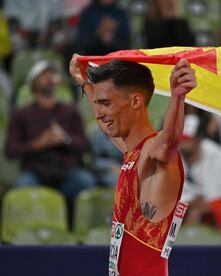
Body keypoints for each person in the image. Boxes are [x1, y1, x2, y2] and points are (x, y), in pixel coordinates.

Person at [69, 53, 196, 275]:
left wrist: (178, 97)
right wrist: (84, 81)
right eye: (98, 104)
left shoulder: (155, 152)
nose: (98, 114)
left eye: (106, 103)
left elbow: (169, 141)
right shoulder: (133, 153)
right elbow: (107, 128)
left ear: (136, 101)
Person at [5, 60, 95, 219]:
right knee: (21, 187)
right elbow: (10, 150)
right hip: (35, 172)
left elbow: (86, 146)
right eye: (43, 75)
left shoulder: (70, 111)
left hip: (66, 172)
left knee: (86, 182)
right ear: (33, 82)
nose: (49, 78)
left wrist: (65, 139)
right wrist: (38, 144)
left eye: (52, 74)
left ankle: (77, 237)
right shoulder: (22, 114)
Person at [180, 114, 221, 244]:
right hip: (186, 205)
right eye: (181, 138)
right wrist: (191, 205)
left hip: (214, 204)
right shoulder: (172, 154)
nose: (182, 142)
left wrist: (200, 207)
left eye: (187, 139)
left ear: (199, 139)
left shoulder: (219, 156)